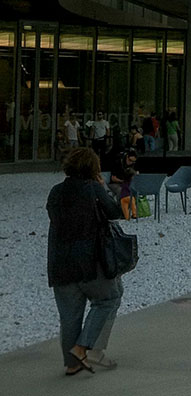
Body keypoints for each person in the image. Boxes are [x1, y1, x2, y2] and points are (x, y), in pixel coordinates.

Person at [47, 147, 124, 374]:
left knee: (70, 317)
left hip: (59, 264)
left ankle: (72, 365)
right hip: (90, 263)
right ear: (93, 168)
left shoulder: (55, 191)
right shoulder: (93, 189)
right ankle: (83, 348)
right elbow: (114, 212)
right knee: (109, 298)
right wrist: (103, 188)